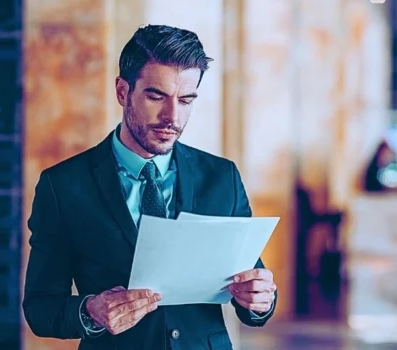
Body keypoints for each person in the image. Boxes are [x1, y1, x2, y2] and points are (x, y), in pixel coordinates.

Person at [23, 24, 277, 350]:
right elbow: (40, 308)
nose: (172, 116)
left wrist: (260, 299)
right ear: (122, 92)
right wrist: (89, 312)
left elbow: (252, 289)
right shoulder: (63, 185)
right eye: (156, 96)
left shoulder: (222, 177)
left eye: (186, 100)